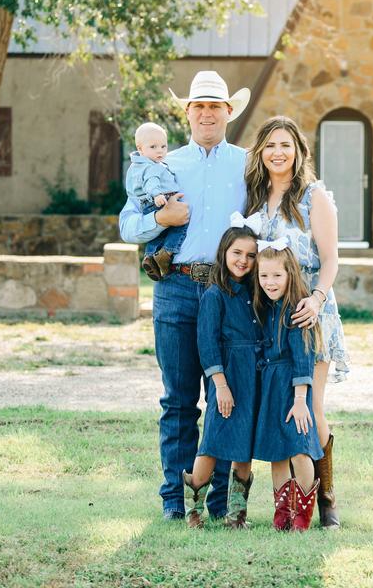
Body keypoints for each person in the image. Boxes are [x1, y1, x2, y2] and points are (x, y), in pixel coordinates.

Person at [118, 70, 251, 522]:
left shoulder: (247, 164)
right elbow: (127, 225)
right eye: (199, 106)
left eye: (216, 106)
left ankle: (215, 502)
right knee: (178, 399)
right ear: (187, 113)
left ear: (229, 112)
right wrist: (165, 220)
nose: (207, 113)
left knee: (223, 399)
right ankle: (175, 500)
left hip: (229, 292)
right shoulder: (162, 164)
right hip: (176, 287)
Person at [244, 115, 348, 528]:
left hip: (308, 313)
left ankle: (326, 498)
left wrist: (317, 299)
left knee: (313, 409)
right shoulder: (254, 197)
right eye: (270, 145)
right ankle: (286, 502)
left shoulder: (313, 197)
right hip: (266, 320)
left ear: (299, 151)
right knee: (278, 407)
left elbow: (331, 259)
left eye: (286, 144)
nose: (278, 152)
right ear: (261, 152)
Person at [183, 221, 261, 529]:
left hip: (252, 377)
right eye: (237, 252)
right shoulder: (215, 295)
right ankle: (194, 512)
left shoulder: (256, 294)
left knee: (245, 445)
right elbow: (207, 342)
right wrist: (220, 385)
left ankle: (236, 515)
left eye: (251, 255)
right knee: (213, 442)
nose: (243, 260)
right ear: (224, 253)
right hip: (225, 378)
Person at [251, 240, 324, 532]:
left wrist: (299, 399)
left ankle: (303, 514)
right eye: (264, 276)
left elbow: (303, 358)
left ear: (290, 275)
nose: (270, 282)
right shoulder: (264, 306)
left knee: (298, 448)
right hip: (270, 387)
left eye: (276, 276)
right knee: (277, 452)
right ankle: (282, 514)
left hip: (294, 390)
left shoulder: (296, 310)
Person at [124, 122, 184, 281]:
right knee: (180, 225)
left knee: (158, 234)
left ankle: (150, 256)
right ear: (140, 149)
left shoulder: (138, 165)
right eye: (153, 147)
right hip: (159, 200)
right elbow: (151, 182)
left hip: (150, 202)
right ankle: (168, 252)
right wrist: (157, 195)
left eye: (163, 146)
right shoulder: (151, 167)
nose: (160, 151)